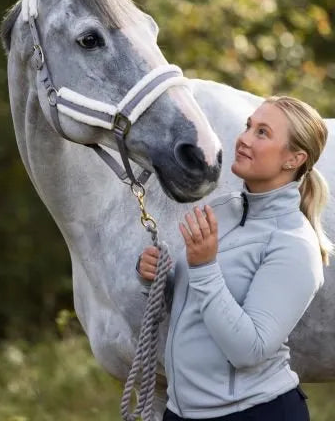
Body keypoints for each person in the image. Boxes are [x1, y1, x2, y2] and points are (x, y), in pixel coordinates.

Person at [137, 95, 333, 421]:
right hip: (182, 412)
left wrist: (203, 266)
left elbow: (249, 350)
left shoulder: (294, 244)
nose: (243, 138)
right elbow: (197, 309)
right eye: (248, 126)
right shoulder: (222, 210)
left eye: (262, 133)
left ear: (293, 159)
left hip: (254, 413)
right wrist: (157, 279)